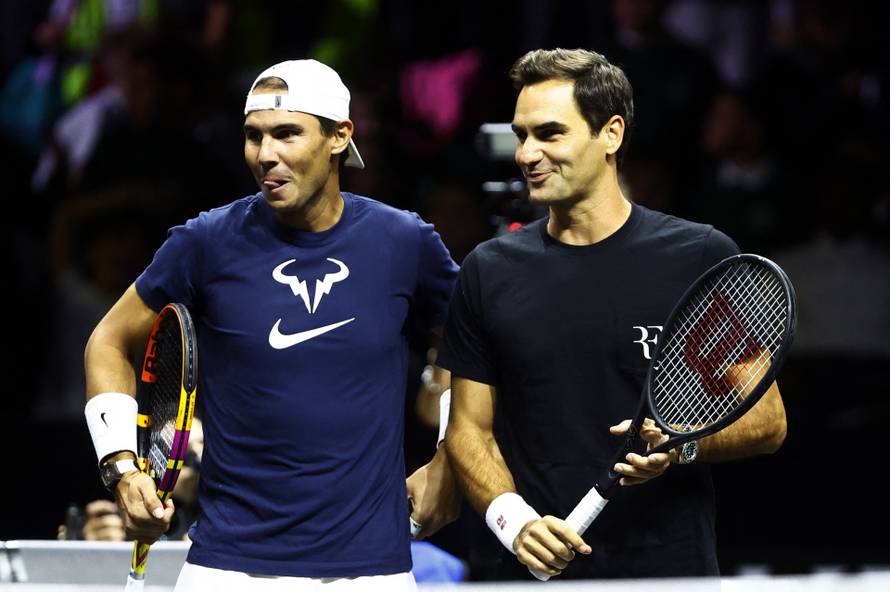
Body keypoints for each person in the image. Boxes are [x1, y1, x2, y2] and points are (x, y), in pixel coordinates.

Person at [83, 58, 460, 591]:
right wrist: (121, 466)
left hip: (373, 570)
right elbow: (109, 341)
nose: (266, 155)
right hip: (225, 569)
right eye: (253, 136)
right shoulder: (205, 242)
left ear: (339, 137)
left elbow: (471, 347)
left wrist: (450, 460)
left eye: (287, 134)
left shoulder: (406, 242)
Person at [438, 48, 787, 580]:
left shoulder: (697, 256)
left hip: (668, 571)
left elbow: (767, 421)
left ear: (611, 134)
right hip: (529, 574)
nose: (527, 154)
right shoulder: (489, 270)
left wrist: (681, 446)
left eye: (550, 133)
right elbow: (468, 431)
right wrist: (517, 524)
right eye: (521, 134)